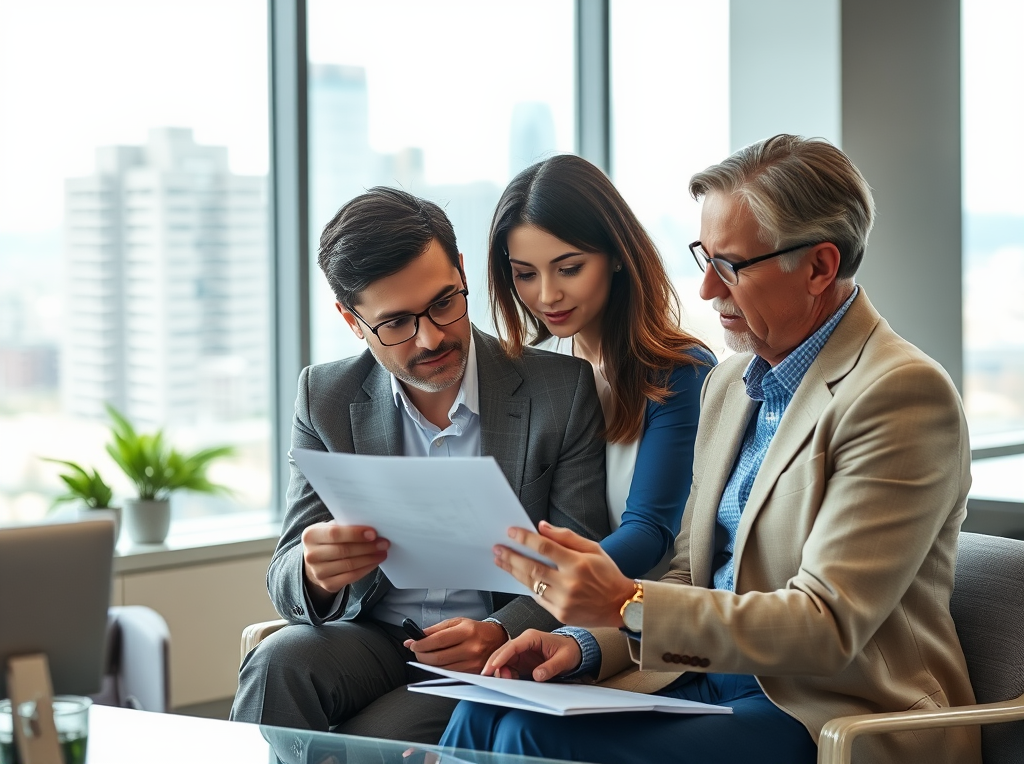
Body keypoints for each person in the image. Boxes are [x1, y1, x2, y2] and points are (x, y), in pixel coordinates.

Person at [440, 135, 981, 764]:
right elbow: (689, 572)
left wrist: (622, 601)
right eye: (704, 256)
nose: (703, 290)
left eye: (730, 265)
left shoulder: (901, 396)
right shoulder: (733, 383)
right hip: (703, 675)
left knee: (531, 736)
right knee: (487, 704)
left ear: (819, 267)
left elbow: (826, 628)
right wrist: (586, 644)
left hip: (825, 708)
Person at [230, 187, 611, 744]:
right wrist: (315, 573)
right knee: (277, 662)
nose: (431, 336)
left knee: (379, 735)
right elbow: (286, 573)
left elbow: (585, 555)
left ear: (460, 270)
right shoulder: (326, 396)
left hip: (495, 648)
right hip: (374, 635)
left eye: (443, 303)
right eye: (396, 323)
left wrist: (500, 630)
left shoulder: (560, 391)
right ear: (351, 319)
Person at [489, 154, 714, 579]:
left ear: (616, 255)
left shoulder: (678, 374)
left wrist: (540, 585)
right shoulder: (530, 367)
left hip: (637, 621)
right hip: (544, 612)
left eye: (569, 269)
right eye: (525, 274)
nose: (548, 295)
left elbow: (648, 533)